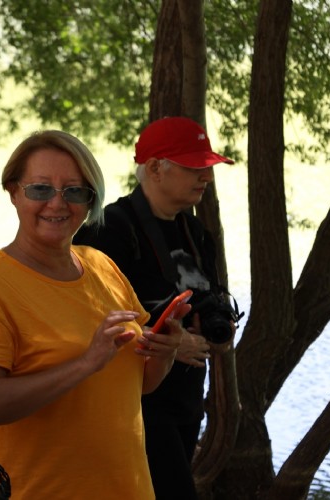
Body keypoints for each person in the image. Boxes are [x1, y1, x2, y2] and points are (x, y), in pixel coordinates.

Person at [0, 130, 187, 499]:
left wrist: (165, 349)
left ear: (90, 200)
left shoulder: (102, 266)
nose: (57, 204)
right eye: (40, 189)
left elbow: (138, 385)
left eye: (75, 191)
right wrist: (85, 363)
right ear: (13, 191)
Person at [74, 116, 238, 499]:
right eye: (193, 167)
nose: (205, 177)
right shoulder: (108, 230)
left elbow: (208, 303)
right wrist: (169, 343)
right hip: (133, 405)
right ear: (154, 168)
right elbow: (81, 319)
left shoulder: (197, 234)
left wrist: (218, 331)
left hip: (185, 401)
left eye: (207, 168)